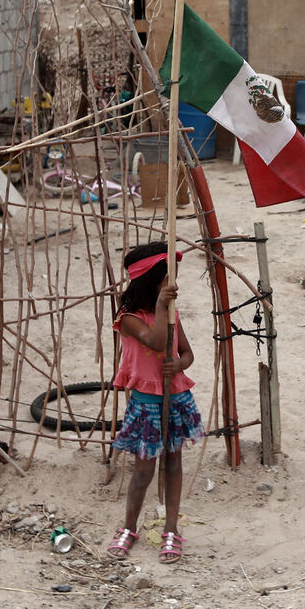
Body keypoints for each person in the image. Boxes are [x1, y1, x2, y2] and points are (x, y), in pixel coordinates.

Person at [105, 241, 203, 563]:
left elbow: (185, 353)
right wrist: (161, 308)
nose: (173, 284)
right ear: (152, 281)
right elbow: (157, 342)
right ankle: (129, 527)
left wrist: (180, 364)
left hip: (175, 399)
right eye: (167, 278)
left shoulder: (172, 314)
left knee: (173, 463)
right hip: (146, 404)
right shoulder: (128, 317)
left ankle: (171, 529)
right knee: (144, 470)